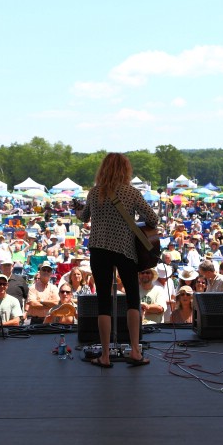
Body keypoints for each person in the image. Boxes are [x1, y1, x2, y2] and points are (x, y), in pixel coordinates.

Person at [75, 152, 158, 368]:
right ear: (126, 170)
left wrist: (78, 211)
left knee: (103, 302)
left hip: (98, 249)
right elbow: (153, 219)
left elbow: (84, 217)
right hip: (124, 249)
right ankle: (135, 351)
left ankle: (104, 355)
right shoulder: (131, 192)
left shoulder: (94, 193)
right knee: (132, 299)